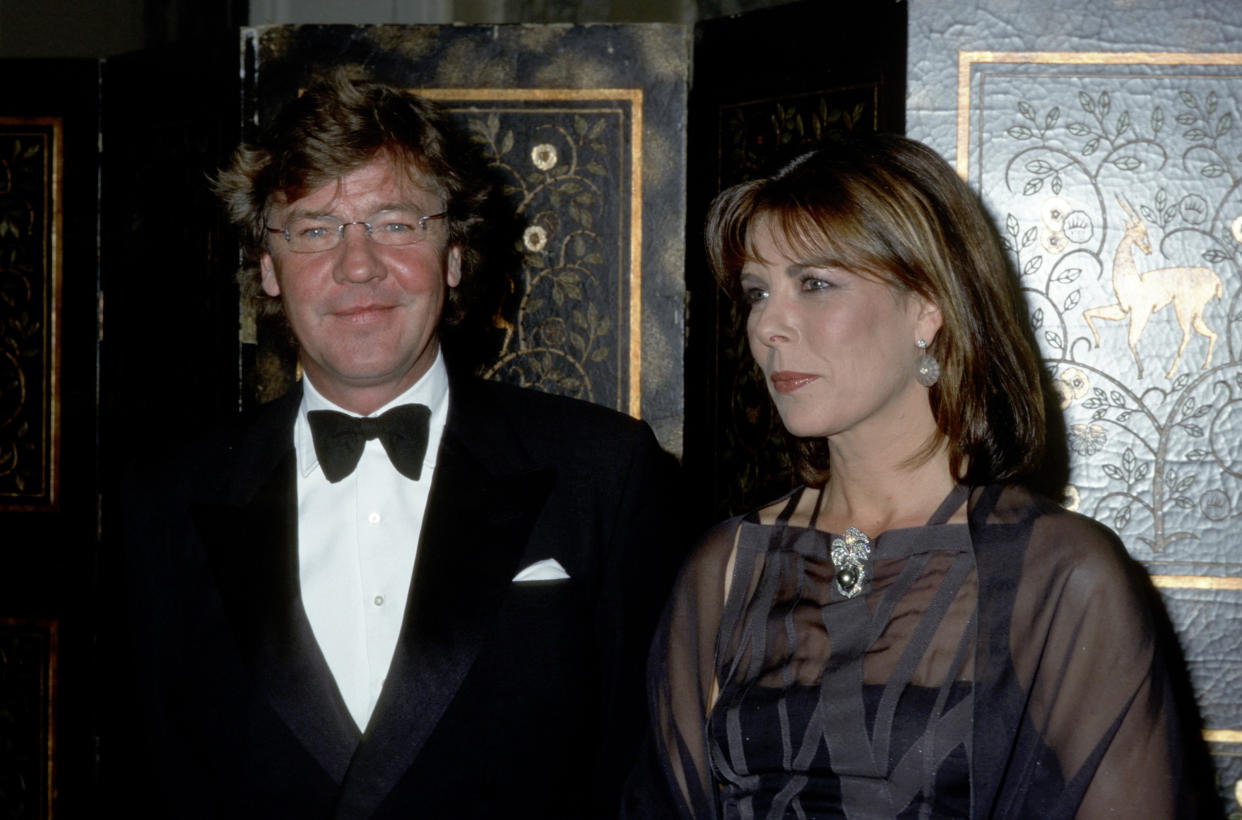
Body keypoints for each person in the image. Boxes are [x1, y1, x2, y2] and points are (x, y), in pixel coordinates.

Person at [117, 71, 680, 818]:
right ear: (267, 268)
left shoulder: (603, 471)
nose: (358, 266)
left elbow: (644, 780)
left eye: (395, 222)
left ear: (452, 254)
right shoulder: (167, 502)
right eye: (315, 228)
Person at [626, 136, 1197, 818]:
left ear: (926, 307)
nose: (768, 326)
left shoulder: (1060, 574)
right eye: (756, 292)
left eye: (814, 284)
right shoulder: (726, 568)